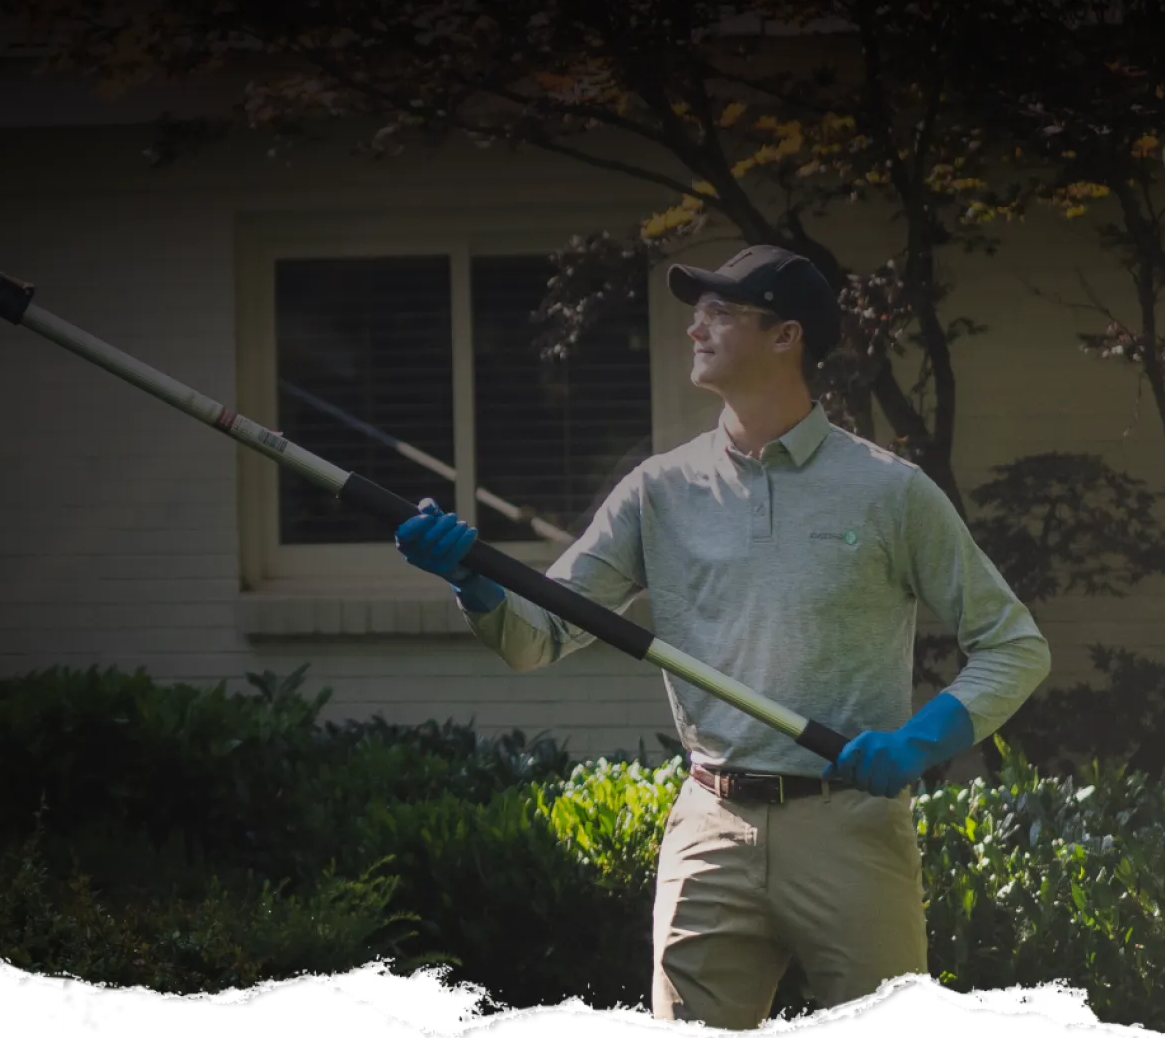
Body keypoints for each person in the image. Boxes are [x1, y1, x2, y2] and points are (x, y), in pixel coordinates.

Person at [393, 244, 1051, 1029]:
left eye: (720, 312)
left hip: (850, 829)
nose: (693, 328)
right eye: (696, 311)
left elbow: (1015, 644)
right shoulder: (659, 490)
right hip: (710, 827)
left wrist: (922, 737)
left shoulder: (890, 492)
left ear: (787, 336)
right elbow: (537, 638)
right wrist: (475, 584)